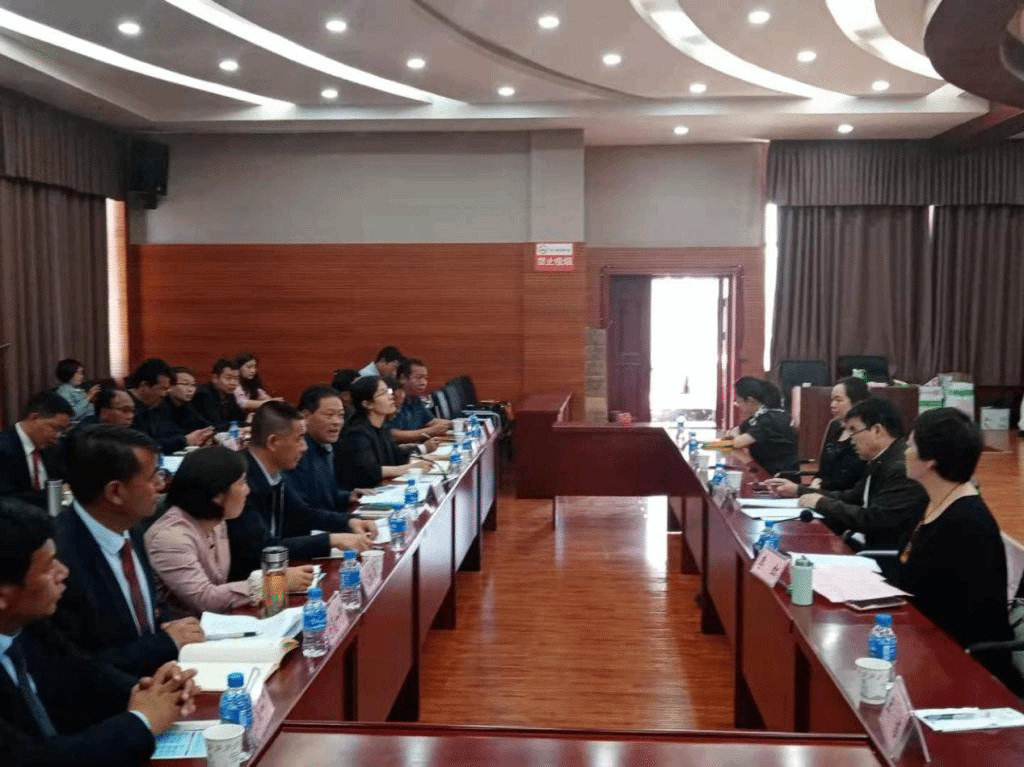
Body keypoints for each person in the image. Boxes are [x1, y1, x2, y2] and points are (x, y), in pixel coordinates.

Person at [0, 497, 198, 767]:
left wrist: (155, 691)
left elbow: (83, 674)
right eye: (48, 567)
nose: (64, 572)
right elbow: (36, 760)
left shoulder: (29, 625)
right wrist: (142, 720)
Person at [53, 425, 206, 677]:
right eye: (153, 476)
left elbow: (149, 608)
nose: (161, 484)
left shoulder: (131, 527)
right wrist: (164, 643)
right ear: (115, 492)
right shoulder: (59, 559)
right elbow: (75, 667)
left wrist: (171, 627)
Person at [897, 408, 1017, 688]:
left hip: (962, 663)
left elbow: (972, 619)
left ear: (931, 460)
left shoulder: (967, 523)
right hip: (922, 638)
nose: (905, 451)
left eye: (911, 445)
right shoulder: (932, 501)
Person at [145, 447, 315, 616]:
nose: (247, 490)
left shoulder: (217, 521)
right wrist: (275, 583)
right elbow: (205, 599)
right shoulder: (170, 538)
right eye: (242, 483)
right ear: (217, 494)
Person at [226, 401, 375, 582]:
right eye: (299, 439)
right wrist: (331, 540)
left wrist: (349, 521)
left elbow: (303, 514)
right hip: (250, 583)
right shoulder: (240, 481)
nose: (304, 447)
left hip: (276, 573)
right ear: (273, 442)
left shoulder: (273, 471)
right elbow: (263, 548)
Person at [765, 398, 928, 558]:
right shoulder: (881, 459)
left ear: (877, 431)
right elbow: (850, 497)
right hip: (860, 544)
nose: (851, 439)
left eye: (854, 430)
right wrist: (798, 490)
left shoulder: (900, 468)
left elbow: (874, 520)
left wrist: (821, 502)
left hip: (878, 556)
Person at [286, 386, 379, 524]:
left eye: (340, 415)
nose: (337, 422)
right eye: (329, 415)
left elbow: (325, 497)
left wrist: (348, 496)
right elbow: (303, 512)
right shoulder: (296, 454)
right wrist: (347, 522)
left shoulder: (325, 447)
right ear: (306, 416)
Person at [336, 376, 431, 490]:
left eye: (388, 391)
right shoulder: (356, 433)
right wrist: (411, 468)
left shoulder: (381, 427)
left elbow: (396, 455)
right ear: (367, 404)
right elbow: (371, 471)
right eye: (383, 393)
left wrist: (427, 453)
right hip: (365, 495)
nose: (391, 396)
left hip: (383, 488)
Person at [0, 392, 72, 507]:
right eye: (55, 428)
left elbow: (63, 481)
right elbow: (8, 501)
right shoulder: (4, 449)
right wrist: (53, 494)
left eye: (62, 431)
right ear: (35, 418)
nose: (58, 436)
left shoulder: (52, 448)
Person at [129, 359, 211, 455]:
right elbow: (145, 446)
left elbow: (170, 433)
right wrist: (185, 440)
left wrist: (197, 438)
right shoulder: (126, 406)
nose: (164, 394)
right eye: (162, 388)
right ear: (144, 385)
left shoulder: (156, 405)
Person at [727, 377, 799, 477]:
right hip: (764, 472)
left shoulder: (771, 419)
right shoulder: (759, 416)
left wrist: (710, 445)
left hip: (778, 478)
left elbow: (732, 444)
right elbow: (734, 432)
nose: (738, 405)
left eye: (738, 401)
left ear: (750, 400)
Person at [812, 377, 870, 492]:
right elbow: (822, 470)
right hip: (823, 493)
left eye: (838, 400)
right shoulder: (834, 426)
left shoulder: (867, 432)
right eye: (832, 400)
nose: (832, 405)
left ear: (857, 402)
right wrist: (816, 481)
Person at [388, 358, 450, 444]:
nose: (423, 383)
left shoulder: (415, 398)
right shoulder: (394, 400)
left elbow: (429, 421)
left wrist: (455, 424)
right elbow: (393, 435)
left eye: (425, 378)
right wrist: (430, 431)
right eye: (419, 378)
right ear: (403, 378)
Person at [191, 358, 247, 431]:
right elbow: (216, 425)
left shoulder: (229, 395)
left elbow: (238, 418)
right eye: (228, 378)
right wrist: (244, 424)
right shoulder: (203, 394)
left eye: (236, 378)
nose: (233, 383)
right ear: (215, 378)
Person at [165, 367, 212, 434]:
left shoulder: (186, 406)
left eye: (193, 385)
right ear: (170, 386)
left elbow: (205, 425)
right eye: (185, 384)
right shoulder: (161, 407)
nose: (191, 390)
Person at [53, 359, 97, 424]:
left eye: (82, 373)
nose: (81, 376)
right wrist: (88, 397)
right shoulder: (63, 391)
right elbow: (72, 415)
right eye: (78, 373)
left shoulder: (77, 388)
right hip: (79, 426)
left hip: (91, 422)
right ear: (68, 373)